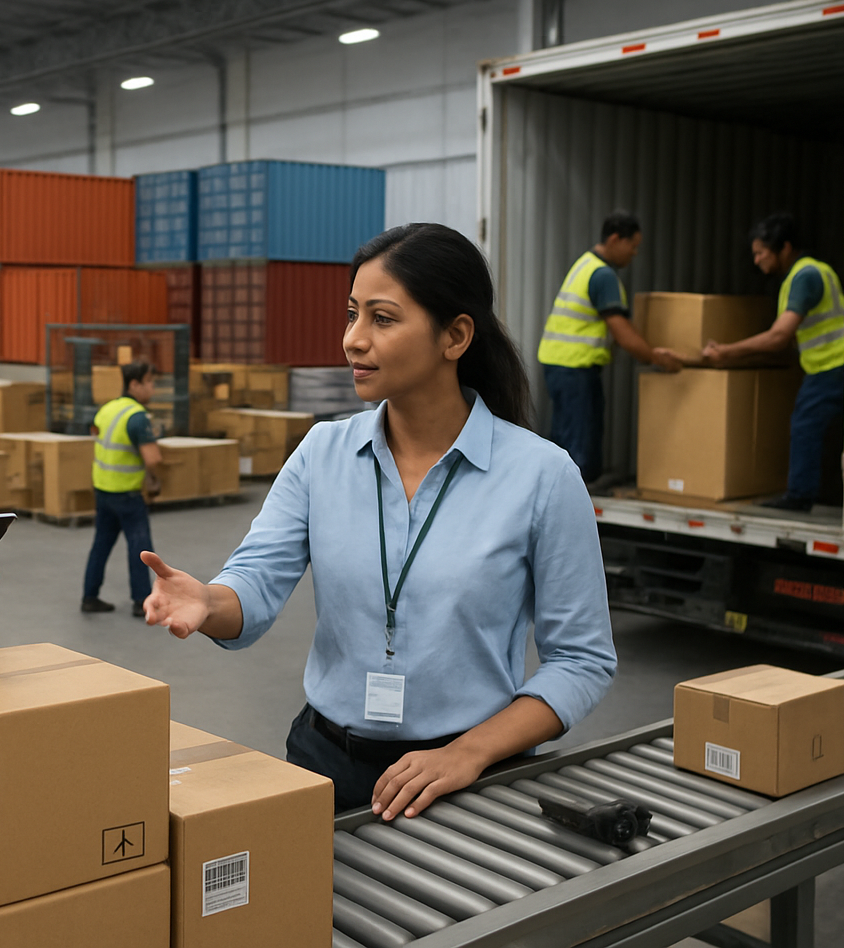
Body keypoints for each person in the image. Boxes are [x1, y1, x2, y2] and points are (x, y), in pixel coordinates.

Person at [139, 223, 617, 818]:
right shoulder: (322, 454)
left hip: (463, 781)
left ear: (455, 335)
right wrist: (209, 601)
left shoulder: (542, 476)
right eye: (351, 314)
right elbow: (256, 584)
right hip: (324, 765)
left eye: (382, 319)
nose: (353, 340)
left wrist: (468, 753)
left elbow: (581, 660)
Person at [702, 213, 844, 512]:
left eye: (760, 253)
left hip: (832, 365)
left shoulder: (805, 277)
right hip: (834, 364)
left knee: (805, 425)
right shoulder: (811, 272)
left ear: (785, 248)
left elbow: (779, 336)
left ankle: (799, 496)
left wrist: (726, 352)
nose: (756, 260)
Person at [537, 211, 682, 483]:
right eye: (633, 245)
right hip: (575, 368)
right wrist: (656, 358)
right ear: (615, 240)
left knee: (566, 440)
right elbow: (623, 333)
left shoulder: (585, 264)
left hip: (560, 365)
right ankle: (574, 502)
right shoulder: (603, 276)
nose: (635, 253)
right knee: (580, 448)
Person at [82, 360, 163, 617]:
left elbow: (96, 433)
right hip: (127, 495)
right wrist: (154, 480)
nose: (152, 389)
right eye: (149, 383)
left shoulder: (106, 409)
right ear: (134, 384)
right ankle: (142, 601)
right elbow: (153, 459)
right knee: (140, 548)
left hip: (103, 490)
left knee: (101, 544)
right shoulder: (137, 417)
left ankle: (90, 596)